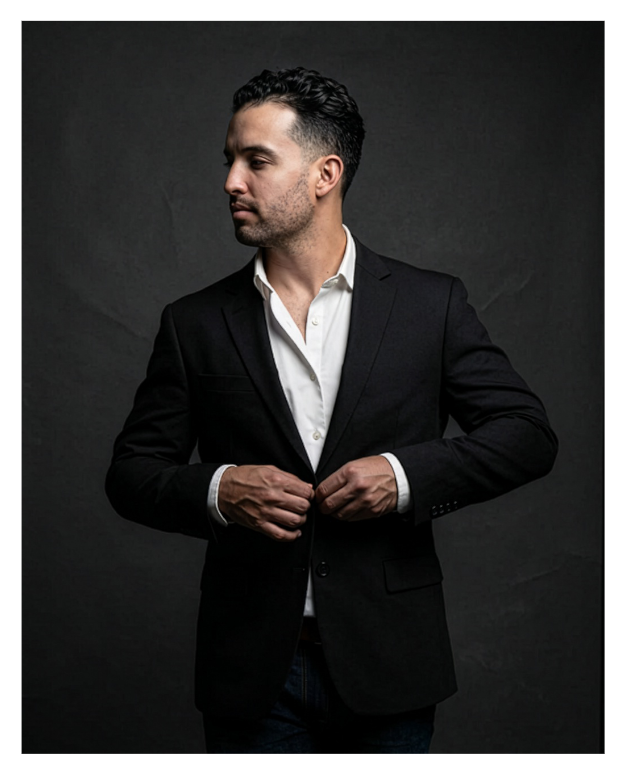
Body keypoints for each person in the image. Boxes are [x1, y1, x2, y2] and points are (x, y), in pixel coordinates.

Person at [105, 67, 558, 754]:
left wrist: (402, 477)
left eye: (257, 161)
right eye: (229, 160)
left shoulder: (430, 305)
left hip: (390, 663)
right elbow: (131, 473)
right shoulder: (193, 322)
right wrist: (221, 490)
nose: (231, 182)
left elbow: (526, 435)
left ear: (325, 174)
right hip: (251, 669)